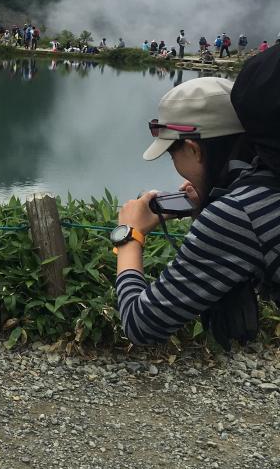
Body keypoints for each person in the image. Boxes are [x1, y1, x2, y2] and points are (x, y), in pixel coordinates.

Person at [114, 68, 280, 349]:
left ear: (193, 149)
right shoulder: (268, 184)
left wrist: (129, 235)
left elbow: (140, 324)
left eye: (172, 154)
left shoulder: (238, 214)